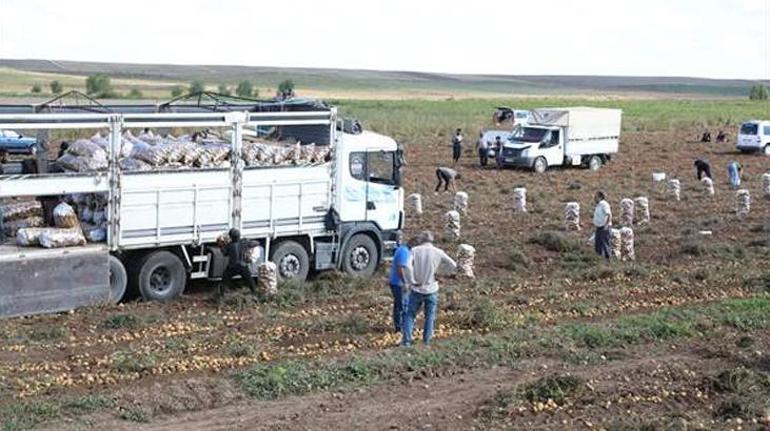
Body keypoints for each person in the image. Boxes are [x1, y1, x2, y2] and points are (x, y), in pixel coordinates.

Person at [401, 231, 456, 346]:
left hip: (417, 289)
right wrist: (442, 273)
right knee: (430, 316)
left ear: (421, 240)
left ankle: (406, 341)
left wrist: (411, 281)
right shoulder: (438, 252)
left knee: (410, 315)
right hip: (432, 288)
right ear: (431, 240)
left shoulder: (415, 251)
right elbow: (453, 265)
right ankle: (427, 341)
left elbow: (406, 265)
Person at [217, 228, 259, 301]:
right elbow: (256, 243)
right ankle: (255, 294)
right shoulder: (244, 242)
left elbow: (224, 253)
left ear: (231, 237)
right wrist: (249, 243)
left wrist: (221, 246)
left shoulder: (229, 245)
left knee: (224, 279)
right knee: (250, 280)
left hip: (232, 267)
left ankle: (222, 295)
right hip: (243, 266)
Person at [387, 235, 416, 333]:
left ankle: (398, 327)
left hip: (395, 282)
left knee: (398, 305)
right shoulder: (405, 252)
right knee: (404, 306)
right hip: (399, 283)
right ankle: (404, 328)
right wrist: (405, 282)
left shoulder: (402, 249)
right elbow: (400, 268)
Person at [593, 191, 612, 260]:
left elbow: (608, 214)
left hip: (604, 227)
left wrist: (606, 225)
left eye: (596, 197)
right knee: (598, 244)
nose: (594, 198)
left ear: (600, 197)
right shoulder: (599, 205)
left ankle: (608, 259)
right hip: (599, 227)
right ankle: (598, 259)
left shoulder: (604, 204)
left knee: (605, 244)